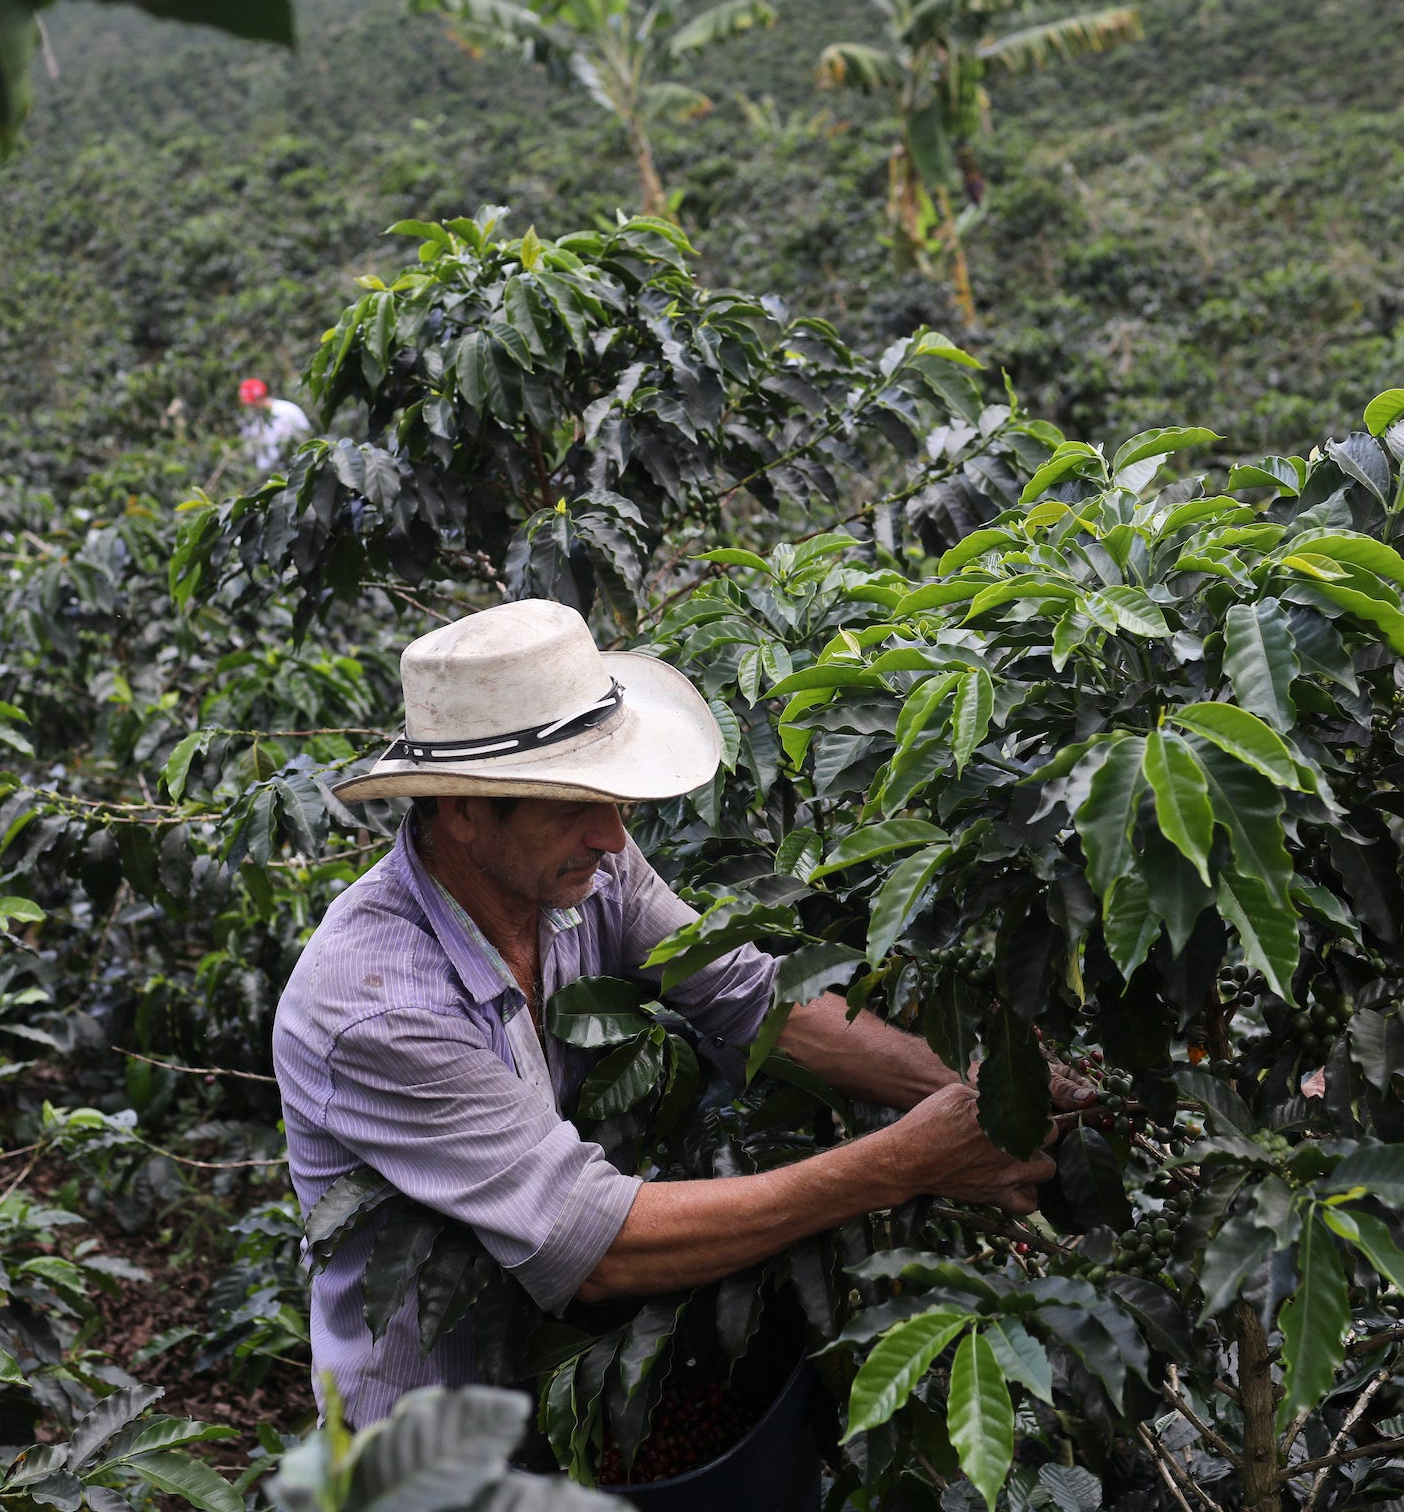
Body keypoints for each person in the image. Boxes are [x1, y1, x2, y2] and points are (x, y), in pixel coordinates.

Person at [271, 599, 1079, 1425]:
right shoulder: (375, 1008)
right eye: (571, 804)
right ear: (465, 810)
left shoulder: (583, 868)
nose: (611, 835)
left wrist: (986, 1090)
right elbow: (592, 1243)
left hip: (582, 1394)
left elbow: (750, 994)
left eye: (612, 797)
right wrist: (904, 1162)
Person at [238, 377, 310, 471]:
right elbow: (250, 449)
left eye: (253, 403)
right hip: (266, 472)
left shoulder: (287, 411)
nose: (251, 407)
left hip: (293, 467)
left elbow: (306, 436)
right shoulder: (252, 420)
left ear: (261, 397)